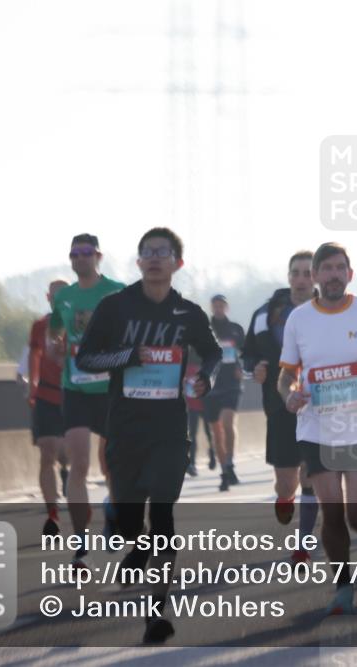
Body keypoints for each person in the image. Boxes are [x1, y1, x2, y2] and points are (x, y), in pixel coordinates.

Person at [75, 227, 221, 643]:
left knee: (163, 515)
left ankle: (157, 613)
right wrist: (127, 356)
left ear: (178, 262)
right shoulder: (115, 307)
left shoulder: (189, 313)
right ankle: (126, 534)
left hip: (169, 428)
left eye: (163, 252)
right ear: (138, 262)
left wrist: (205, 380)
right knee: (126, 526)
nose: (155, 258)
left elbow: (211, 354)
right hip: (125, 425)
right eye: (147, 252)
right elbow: (86, 357)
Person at [278, 242, 357, 616]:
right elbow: (287, 373)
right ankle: (343, 588)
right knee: (332, 513)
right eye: (325, 269)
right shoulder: (298, 319)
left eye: (340, 269)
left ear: (350, 275)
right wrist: (289, 395)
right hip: (316, 426)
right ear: (314, 276)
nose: (333, 275)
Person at [48, 233, 125, 567]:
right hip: (76, 388)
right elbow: (54, 336)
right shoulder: (63, 297)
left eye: (86, 253)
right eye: (75, 253)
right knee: (78, 464)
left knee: (114, 467)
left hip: (109, 390)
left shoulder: (116, 291)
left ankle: (113, 513)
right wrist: (56, 348)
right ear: (71, 259)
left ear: (98, 256)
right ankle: (81, 544)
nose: (81, 258)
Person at [242, 250, 319, 566]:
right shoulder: (265, 314)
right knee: (287, 480)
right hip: (280, 405)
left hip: (320, 406)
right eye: (296, 273)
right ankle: (285, 497)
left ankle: (303, 545)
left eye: (307, 273)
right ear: (288, 277)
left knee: (312, 474)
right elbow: (248, 354)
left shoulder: (332, 309)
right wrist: (254, 368)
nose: (301, 279)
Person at [29, 279, 70, 535]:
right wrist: (32, 385)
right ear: (48, 298)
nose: (58, 300)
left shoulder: (79, 325)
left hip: (71, 396)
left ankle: (66, 472)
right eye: (54, 295)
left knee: (66, 454)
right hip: (45, 396)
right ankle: (52, 514)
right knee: (47, 453)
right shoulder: (40, 326)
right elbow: (33, 356)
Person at [205, 294, 245, 490]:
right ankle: (224, 471)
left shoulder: (236, 329)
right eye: (215, 305)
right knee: (216, 431)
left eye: (222, 305)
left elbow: (248, 353)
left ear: (226, 307)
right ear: (212, 308)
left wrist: (242, 368)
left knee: (228, 422)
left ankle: (230, 461)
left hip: (231, 384)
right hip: (211, 385)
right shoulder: (204, 330)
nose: (219, 308)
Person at [183, 354, 214, 476]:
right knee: (192, 435)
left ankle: (212, 454)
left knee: (208, 432)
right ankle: (192, 463)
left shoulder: (204, 368)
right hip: (192, 407)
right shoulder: (185, 369)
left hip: (205, 405)